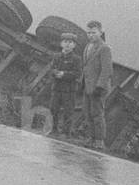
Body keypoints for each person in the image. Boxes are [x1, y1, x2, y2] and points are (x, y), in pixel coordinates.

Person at [81, 20, 113, 149]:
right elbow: (86, 67)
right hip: (87, 86)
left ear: (100, 32)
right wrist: (82, 83)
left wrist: (100, 86)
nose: (90, 35)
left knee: (97, 114)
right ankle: (90, 138)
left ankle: (99, 141)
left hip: (98, 88)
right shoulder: (87, 47)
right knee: (87, 113)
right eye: (88, 33)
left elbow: (107, 70)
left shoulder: (104, 48)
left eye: (93, 33)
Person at [48, 32, 82, 137]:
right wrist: (55, 73)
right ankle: (54, 129)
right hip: (57, 88)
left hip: (69, 90)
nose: (67, 44)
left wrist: (64, 74)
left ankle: (66, 133)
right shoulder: (56, 56)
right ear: (61, 43)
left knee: (68, 111)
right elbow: (51, 69)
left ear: (74, 45)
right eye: (65, 41)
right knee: (54, 109)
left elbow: (77, 73)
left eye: (70, 42)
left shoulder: (77, 59)